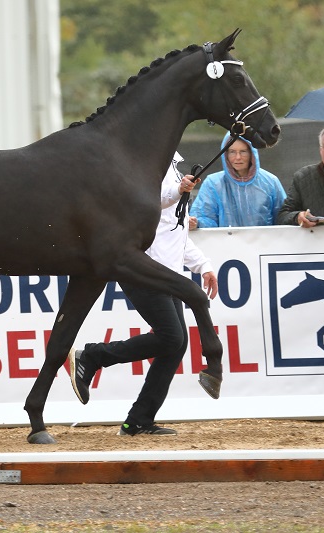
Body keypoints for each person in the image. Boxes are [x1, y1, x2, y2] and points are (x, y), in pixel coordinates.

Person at [68, 152, 218, 436]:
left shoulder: (172, 166)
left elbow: (173, 232)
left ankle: (138, 420)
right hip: (142, 268)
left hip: (169, 274)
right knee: (172, 338)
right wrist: (178, 190)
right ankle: (93, 356)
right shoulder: (146, 162)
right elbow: (149, 200)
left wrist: (203, 265)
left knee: (175, 344)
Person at [190, 132, 286, 227]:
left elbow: (283, 217)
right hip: (225, 241)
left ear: (252, 153)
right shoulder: (213, 183)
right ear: (226, 154)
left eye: (243, 151)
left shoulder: (270, 182)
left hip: (263, 242)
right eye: (232, 152)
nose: (238, 157)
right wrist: (196, 223)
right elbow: (204, 216)